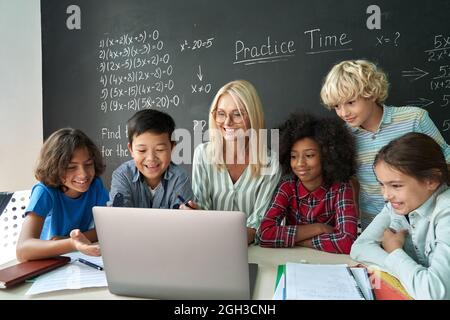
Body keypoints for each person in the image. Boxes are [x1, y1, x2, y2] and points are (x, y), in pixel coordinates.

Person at [320, 59, 450, 230]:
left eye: (351, 102)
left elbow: (445, 160)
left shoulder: (414, 119)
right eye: (337, 106)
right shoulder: (343, 137)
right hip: (375, 225)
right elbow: (351, 181)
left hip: (425, 222)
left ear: (371, 93)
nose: (344, 113)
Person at [350, 132, 450, 299]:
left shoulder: (446, 211)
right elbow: (359, 248)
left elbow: (433, 293)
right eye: (382, 185)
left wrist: (395, 251)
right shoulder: (396, 205)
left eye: (396, 185)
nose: (386, 195)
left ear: (432, 180)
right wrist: (410, 273)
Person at [189, 80, 281, 244]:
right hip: (208, 247)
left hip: (253, 253)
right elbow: (201, 211)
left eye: (237, 114)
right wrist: (193, 213)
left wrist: (219, 236)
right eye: (221, 113)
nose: (227, 122)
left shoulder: (270, 162)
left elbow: (259, 225)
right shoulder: (202, 154)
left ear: (253, 116)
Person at [258, 114, 358, 254]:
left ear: (327, 155)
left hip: (331, 263)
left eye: (309, 155)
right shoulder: (287, 187)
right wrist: (319, 228)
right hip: (293, 260)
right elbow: (264, 234)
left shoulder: (340, 187)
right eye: (293, 156)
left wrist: (298, 240)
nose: (300, 164)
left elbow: (348, 242)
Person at [16, 128, 109, 262]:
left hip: (76, 258)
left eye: (88, 164)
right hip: (47, 261)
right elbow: (22, 251)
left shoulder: (96, 186)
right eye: (71, 167)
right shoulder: (44, 191)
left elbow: (105, 229)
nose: (83, 174)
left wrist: (74, 240)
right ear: (54, 167)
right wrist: (71, 243)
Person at [108, 109, 193, 208]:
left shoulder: (179, 178)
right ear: (131, 150)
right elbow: (118, 215)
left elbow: (182, 219)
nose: (151, 158)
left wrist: (188, 213)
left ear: (172, 147)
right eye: (142, 150)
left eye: (160, 149)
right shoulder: (123, 175)